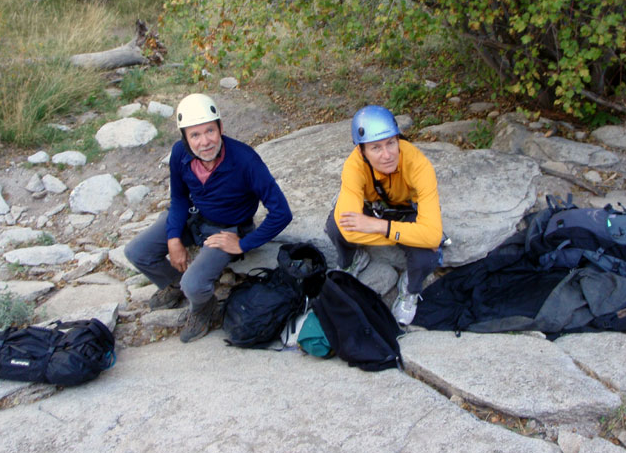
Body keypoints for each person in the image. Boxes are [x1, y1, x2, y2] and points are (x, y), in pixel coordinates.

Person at [125, 93, 292, 343]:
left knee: (194, 285)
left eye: (210, 131)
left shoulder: (245, 160)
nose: (205, 142)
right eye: (195, 135)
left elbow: (281, 212)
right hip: (195, 217)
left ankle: (204, 307)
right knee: (137, 252)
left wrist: (242, 244)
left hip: (226, 229)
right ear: (184, 137)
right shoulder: (180, 155)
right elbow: (180, 199)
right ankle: (174, 284)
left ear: (221, 128)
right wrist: (173, 238)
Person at [324, 105, 444, 326]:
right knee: (335, 225)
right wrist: (416, 236)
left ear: (398, 139)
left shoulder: (418, 165)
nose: (387, 155)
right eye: (376, 148)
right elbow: (347, 230)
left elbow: (433, 236)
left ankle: (410, 287)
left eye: (391, 143)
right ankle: (352, 260)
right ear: (362, 151)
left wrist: (379, 227)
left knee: (428, 256)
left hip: (406, 211)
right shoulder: (354, 166)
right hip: (376, 207)